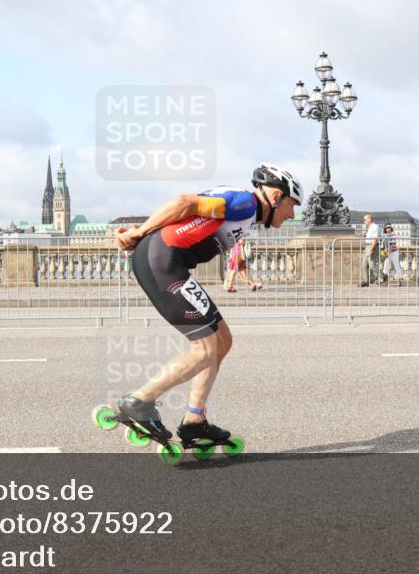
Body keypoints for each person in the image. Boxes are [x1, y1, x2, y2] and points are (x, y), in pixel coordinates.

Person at [113, 164, 302, 450]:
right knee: (204, 348)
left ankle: (194, 420)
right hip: (162, 262)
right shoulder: (245, 203)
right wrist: (141, 231)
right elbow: (184, 203)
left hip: (167, 262)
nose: (293, 214)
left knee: (222, 340)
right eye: (292, 205)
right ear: (276, 197)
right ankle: (139, 401)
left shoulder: (246, 208)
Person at [360, 214, 384, 286]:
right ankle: (365, 281)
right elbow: (369, 239)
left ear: (369, 219)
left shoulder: (375, 227)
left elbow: (375, 239)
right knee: (364, 264)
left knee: (372, 265)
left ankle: (382, 276)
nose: (363, 221)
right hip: (368, 246)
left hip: (372, 246)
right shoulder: (369, 228)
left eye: (365, 219)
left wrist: (371, 249)